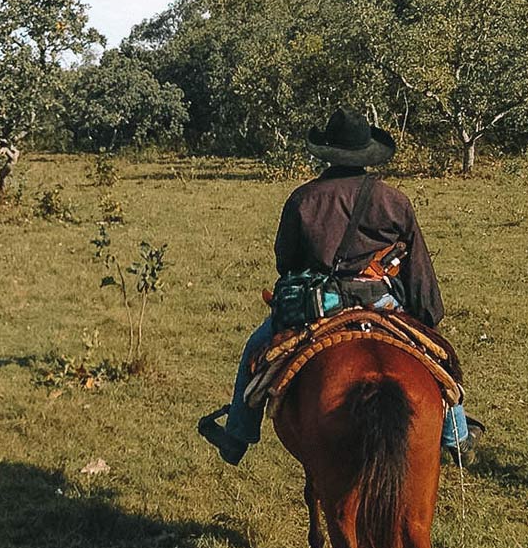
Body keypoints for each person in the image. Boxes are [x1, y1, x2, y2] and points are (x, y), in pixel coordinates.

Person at [198, 108, 483, 466]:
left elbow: (285, 262)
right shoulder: (393, 200)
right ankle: (456, 436)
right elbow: (418, 267)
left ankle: (237, 435)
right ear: (367, 153)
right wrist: (427, 317)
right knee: (436, 356)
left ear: (326, 152)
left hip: (319, 305)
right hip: (381, 302)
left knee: (255, 347)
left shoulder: (303, 199)